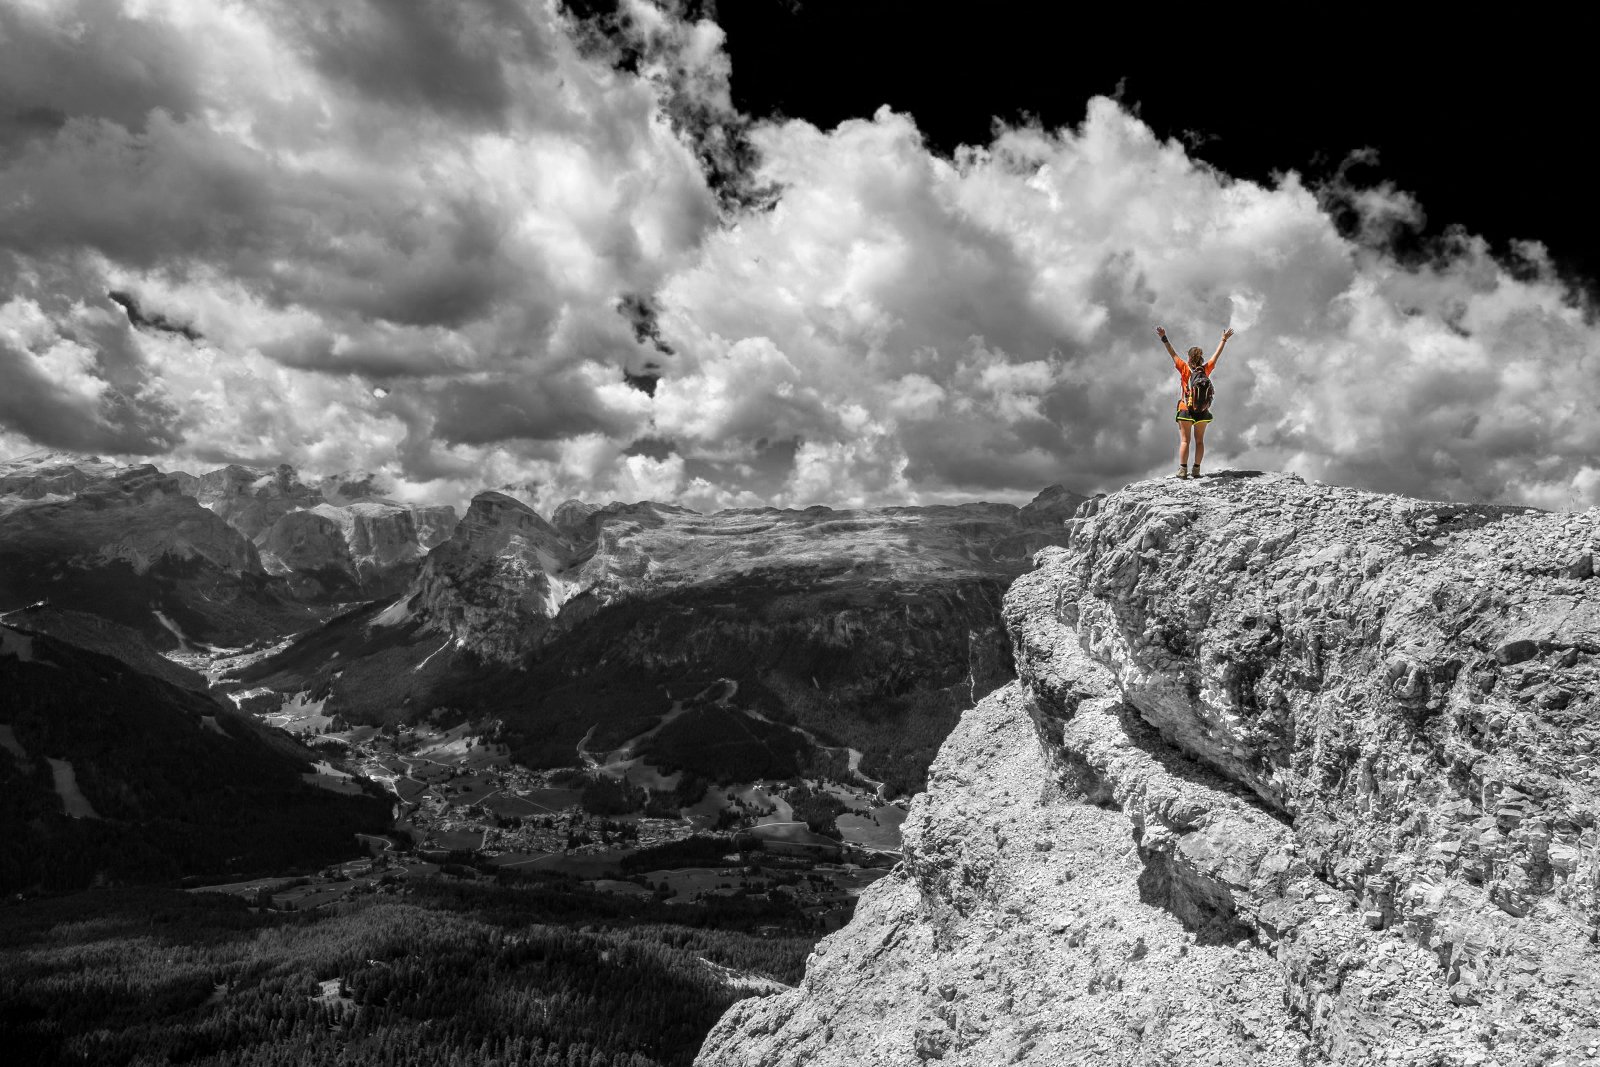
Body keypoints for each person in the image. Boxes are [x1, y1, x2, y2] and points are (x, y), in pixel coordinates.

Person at [1156, 325, 1233, 479]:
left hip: (1185, 409)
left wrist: (1164, 337)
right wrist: (1223, 340)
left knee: (1185, 440)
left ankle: (1183, 470)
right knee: (1199, 441)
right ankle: (1196, 470)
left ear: (1189, 358)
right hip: (1202, 411)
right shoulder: (1206, 369)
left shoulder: (1183, 368)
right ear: (1200, 358)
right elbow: (1216, 356)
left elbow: (1172, 352)